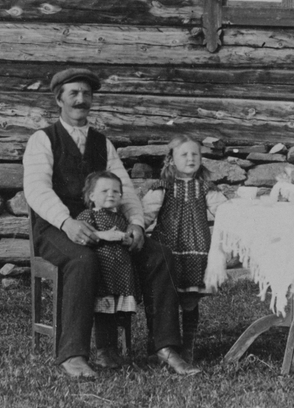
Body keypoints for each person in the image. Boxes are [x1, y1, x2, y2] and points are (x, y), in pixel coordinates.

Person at [23, 67, 199, 378]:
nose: (81, 100)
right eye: (74, 93)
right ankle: (73, 354)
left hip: (108, 226)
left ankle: (165, 346)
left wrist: (134, 224)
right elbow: (37, 190)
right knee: (83, 260)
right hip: (55, 230)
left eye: (86, 94)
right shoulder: (43, 140)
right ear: (59, 99)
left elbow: (126, 188)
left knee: (160, 255)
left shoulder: (102, 144)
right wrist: (67, 223)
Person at [142, 134, 228, 362]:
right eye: (184, 154)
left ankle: (188, 345)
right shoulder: (162, 187)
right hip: (167, 251)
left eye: (195, 154)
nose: (191, 159)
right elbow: (144, 216)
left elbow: (226, 212)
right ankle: (157, 343)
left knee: (190, 300)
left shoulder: (206, 188)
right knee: (162, 297)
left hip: (195, 250)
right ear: (171, 159)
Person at [75, 171, 139, 367]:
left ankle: (116, 351)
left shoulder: (120, 218)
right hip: (104, 273)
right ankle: (103, 352)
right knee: (104, 313)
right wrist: (104, 235)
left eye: (115, 191)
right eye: (104, 191)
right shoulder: (89, 215)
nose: (111, 194)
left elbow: (127, 237)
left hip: (121, 273)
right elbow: (83, 234)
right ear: (91, 196)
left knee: (118, 314)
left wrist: (128, 238)